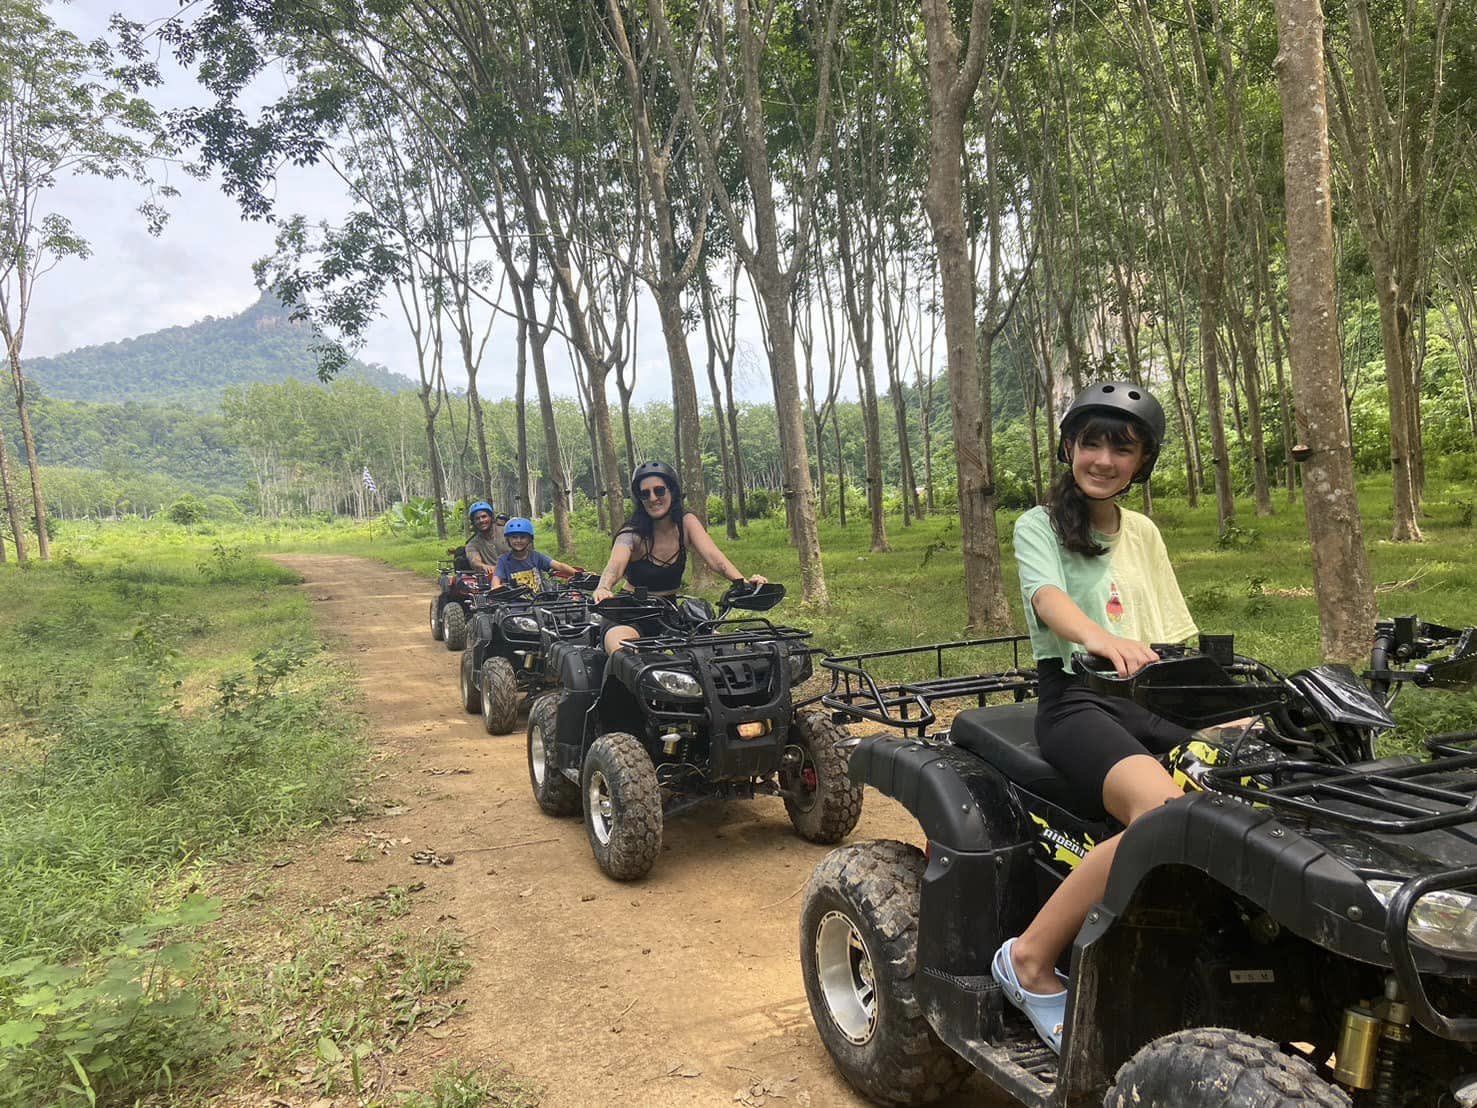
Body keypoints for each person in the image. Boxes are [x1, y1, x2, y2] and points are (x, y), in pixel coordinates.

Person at [991, 382, 1198, 1054]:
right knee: (1162, 818)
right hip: (1075, 698)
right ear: (1068, 448)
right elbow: (1047, 598)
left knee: (1245, 785)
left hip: (1150, 699)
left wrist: (1215, 712)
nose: (1103, 459)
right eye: (1091, 443)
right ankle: (1028, 960)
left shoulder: (1143, 532)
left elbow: (1173, 631)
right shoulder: (1039, 524)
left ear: (1142, 461)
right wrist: (1097, 637)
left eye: (1122, 447)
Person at [592, 461, 766, 653]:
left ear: (672, 491)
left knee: (719, 649)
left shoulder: (686, 523)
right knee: (625, 654)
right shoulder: (632, 532)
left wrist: (744, 583)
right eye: (645, 494)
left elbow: (716, 559)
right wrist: (603, 587)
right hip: (630, 612)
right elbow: (614, 566)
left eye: (659, 491)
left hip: (670, 613)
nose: (653, 498)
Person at [491, 518, 577, 592]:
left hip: (539, 600)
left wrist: (580, 574)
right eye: (514, 537)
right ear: (508, 539)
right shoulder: (503, 560)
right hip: (515, 603)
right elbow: (496, 581)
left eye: (523, 537)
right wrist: (496, 587)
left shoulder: (536, 557)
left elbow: (559, 566)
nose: (518, 540)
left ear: (529, 539)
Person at [463, 501, 508, 577]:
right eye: (477, 518)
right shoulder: (472, 544)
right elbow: (474, 561)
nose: (481, 520)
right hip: (493, 578)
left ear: (491, 517)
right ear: (473, 522)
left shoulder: (507, 532)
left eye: (484, 516)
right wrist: (483, 566)